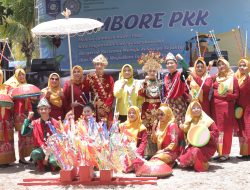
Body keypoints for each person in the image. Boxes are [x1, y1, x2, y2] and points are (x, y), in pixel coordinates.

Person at [211, 57, 239, 162]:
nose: (221, 66)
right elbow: (205, 77)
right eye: (219, 65)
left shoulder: (233, 78)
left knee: (226, 130)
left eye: (223, 64)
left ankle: (226, 153)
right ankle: (220, 152)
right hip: (215, 108)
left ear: (227, 65)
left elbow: (236, 95)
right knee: (218, 131)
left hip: (227, 107)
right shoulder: (216, 77)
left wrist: (226, 95)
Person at [21, 98, 60, 171]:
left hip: (53, 149)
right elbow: (24, 132)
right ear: (38, 111)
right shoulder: (34, 123)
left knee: (53, 161)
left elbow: (61, 137)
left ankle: (51, 164)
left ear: (49, 110)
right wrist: (28, 119)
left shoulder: (55, 123)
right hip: (40, 148)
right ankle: (41, 164)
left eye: (45, 109)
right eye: (41, 109)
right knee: (35, 153)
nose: (43, 111)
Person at [179, 100, 219, 172]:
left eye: (198, 107)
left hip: (207, 145)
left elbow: (216, 132)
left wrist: (207, 133)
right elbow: (188, 134)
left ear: (201, 109)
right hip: (193, 145)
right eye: (193, 108)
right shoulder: (190, 121)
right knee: (183, 159)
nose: (196, 109)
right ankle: (196, 162)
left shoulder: (208, 120)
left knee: (196, 151)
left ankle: (202, 165)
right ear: (190, 111)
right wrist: (183, 128)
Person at [138, 51, 164, 159]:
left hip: (158, 108)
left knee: (158, 128)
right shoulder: (144, 82)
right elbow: (140, 94)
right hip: (147, 107)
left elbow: (163, 95)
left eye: (154, 70)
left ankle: (158, 152)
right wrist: (144, 83)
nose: (152, 72)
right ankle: (148, 153)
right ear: (147, 71)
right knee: (148, 129)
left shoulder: (161, 82)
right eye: (150, 70)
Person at [4, 68, 33, 164]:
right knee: (21, 135)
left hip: (27, 113)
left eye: (23, 74)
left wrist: (30, 110)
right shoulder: (12, 87)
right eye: (19, 75)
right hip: (18, 114)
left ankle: (28, 155)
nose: (21, 76)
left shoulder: (26, 86)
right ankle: (21, 157)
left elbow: (29, 101)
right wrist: (12, 92)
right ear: (16, 76)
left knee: (28, 135)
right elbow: (9, 99)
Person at [84, 54, 114, 125]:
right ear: (94, 65)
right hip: (93, 108)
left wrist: (104, 106)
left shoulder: (109, 78)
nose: (99, 66)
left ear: (104, 65)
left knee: (106, 130)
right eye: (97, 64)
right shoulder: (89, 77)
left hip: (106, 109)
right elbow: (85, 92)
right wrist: (92, 104)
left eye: (101, 64)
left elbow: (111, 93)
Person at [119, 106, 147, 173]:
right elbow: (119, 138)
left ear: (137, 114)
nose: (131, 114)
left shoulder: (142, 128)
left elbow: (143, 142)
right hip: (125, 151)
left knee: (137, 162)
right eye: (129, 113)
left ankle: (132, 166)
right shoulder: (123, 125)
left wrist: (137, 152)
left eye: (134, 113)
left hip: (137, 152)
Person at [164, 52, 190, 125]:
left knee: (181, 124)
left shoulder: (180, 74)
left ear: (176, 64)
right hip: (170, 104)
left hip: (179, 104)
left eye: (171, 63)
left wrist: (181, 59)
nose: (170, 65)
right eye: (168, 63)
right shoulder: (166, 77)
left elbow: (186, 69)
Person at [235, 58, 250, 159]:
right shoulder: (238, 78)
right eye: (240, 65)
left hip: (248, 108)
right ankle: (245, 153)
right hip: (239, 109)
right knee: (241, 130)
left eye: (244, 65)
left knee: (248, 129)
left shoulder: (248, 78)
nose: (242, 67)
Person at [0, 69, 16, 167]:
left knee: (7, 138)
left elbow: (11, 100)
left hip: (6, 116)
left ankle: (7, 159)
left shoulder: (7, 87)